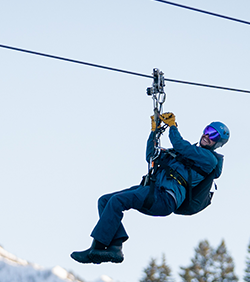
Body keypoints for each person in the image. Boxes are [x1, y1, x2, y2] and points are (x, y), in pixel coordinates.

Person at [71, 113, 228, 264]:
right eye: (208, 131)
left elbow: (181, 145)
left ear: (218, 143)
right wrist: (153, 132)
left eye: (213, 136)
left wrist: (173, 126)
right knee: (105, 201)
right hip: (154, 190)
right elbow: (151, 156)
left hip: (166, 198)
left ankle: (96, 249)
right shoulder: (180, 154)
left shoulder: (209, 160)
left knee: (117, 201)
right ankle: (114, 247)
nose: (207, 136)